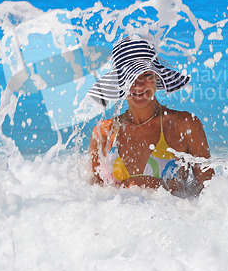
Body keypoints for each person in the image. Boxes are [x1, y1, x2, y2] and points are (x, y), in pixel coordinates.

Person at [88, 35, 214, 196]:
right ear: (120, 83)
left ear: (157, 77)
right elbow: (94, 197)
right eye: (130, 77)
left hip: (174, 220)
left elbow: (209, 195)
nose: (138, 85)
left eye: (146, 75)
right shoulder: (104, 133)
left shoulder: (185, 125)